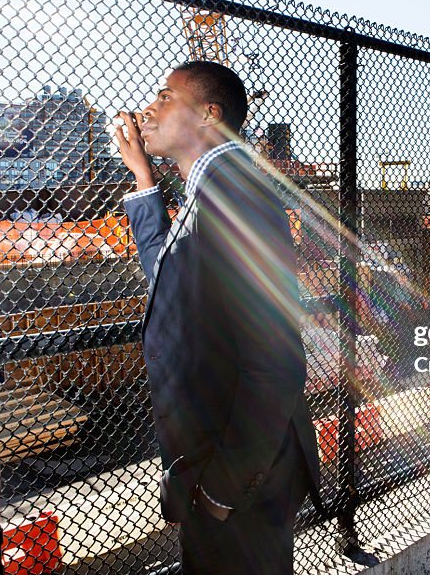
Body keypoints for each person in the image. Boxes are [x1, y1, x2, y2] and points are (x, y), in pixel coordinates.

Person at [114, 61, 320, 574]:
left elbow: (276, 364)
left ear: (208, 114)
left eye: (164, 97)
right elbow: (171, 273)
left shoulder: (236, 195)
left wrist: (221, 492)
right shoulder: (215, 189)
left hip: (240, 476)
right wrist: (143, 181)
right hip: (229, 465)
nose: (149, 109)